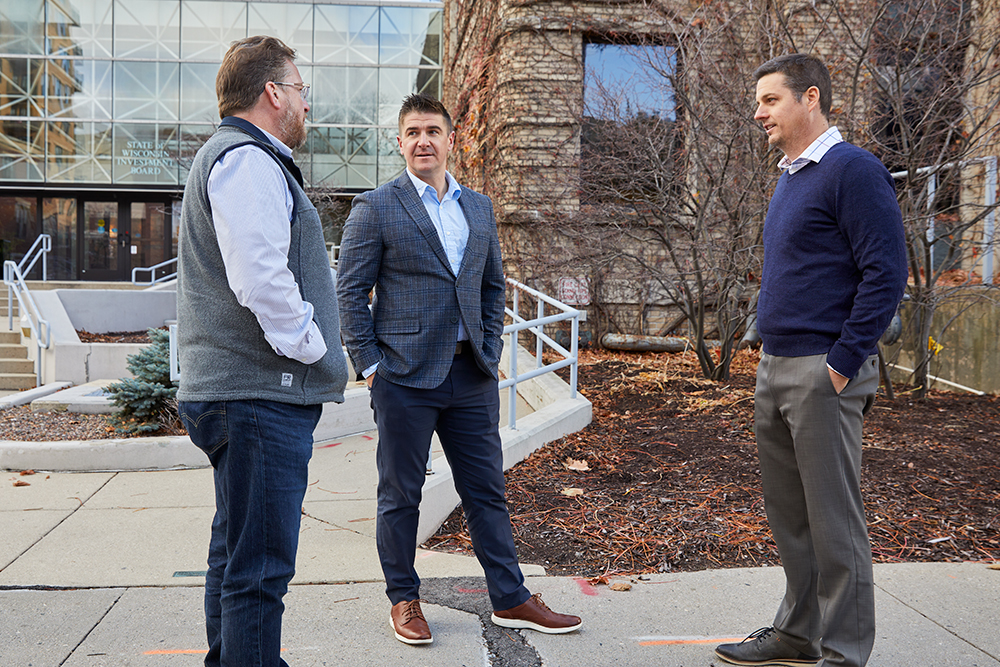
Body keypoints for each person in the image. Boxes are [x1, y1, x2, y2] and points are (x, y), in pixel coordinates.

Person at [337, 93, 582, 645]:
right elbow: (349, 292)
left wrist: (490, 352)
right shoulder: (375, 206)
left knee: (486, 489)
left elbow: (492, 285)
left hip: (471, 374)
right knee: (401, 494)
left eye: (433, 131)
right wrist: (371, 366)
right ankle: (403, 599)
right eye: (412, 132)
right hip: (403, 377)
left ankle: (511, 598)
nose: (423, 140)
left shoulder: (478, 207)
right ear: (399, 143)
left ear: (451, 140)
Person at [714, 54, 908, 667]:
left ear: (811, 99)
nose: (759, 111)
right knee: (791, 520)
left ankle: (845, 651)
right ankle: (799, 634)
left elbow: (887, 273)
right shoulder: (793, 176)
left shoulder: (852, 170)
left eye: (770, 99)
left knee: (834, 522)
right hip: (776, 367)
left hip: (823, 371)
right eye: (759, 100)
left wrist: (844, 361)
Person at [176, 35, 348, 667]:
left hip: (239, 395)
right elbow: (261, 280)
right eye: (300, 89)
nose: (306, 103)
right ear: (273, 93)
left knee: (236, 557)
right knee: (260, 571)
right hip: (256, 397)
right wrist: (312, 346)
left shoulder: (238, 159)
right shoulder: (246, 160)